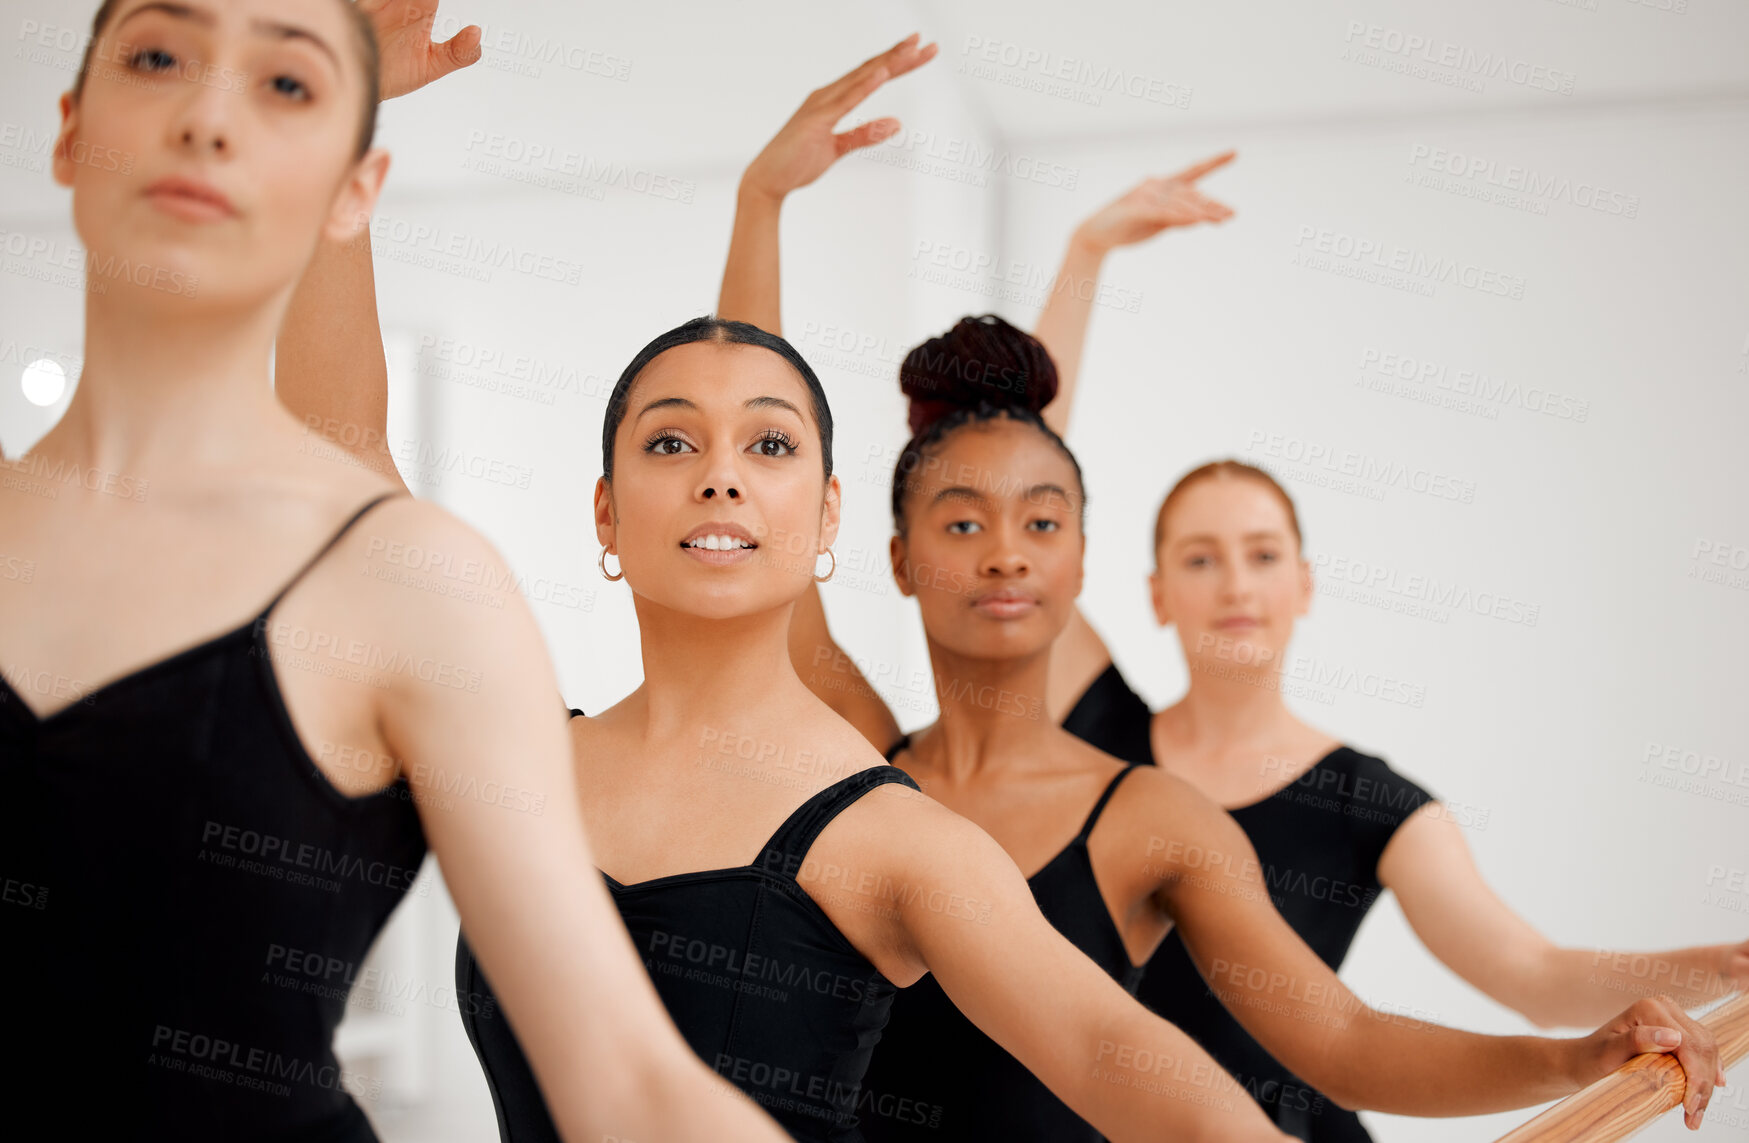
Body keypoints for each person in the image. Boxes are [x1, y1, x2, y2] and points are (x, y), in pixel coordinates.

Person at [711, 65, 1731, 1140]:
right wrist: (760, 204)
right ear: (898, 558)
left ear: (1083, 561)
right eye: (962, 524)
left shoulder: (1155, 820)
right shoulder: (861, 768)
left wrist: (1576, 1054)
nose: (1006, 554)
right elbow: (758, 482)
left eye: (1043, 525)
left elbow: (1342, 1040)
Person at [0, 2, 795, 1140]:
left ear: (352, 190)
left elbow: (627, 1086)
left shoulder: (411, 589)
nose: (209, 115)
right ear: (72, 130)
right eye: (161, 56)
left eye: (286, 86)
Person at [1026, 178, 1749, 1141]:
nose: (1235, 583)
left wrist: (1728, 966)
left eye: (1262, 554)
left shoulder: (1369, 803)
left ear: (1304, 585)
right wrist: (1084, 256)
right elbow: (1019, 482)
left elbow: (1534, 976)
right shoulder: (1094, 725)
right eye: (1199, 558)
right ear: (1156, 591)